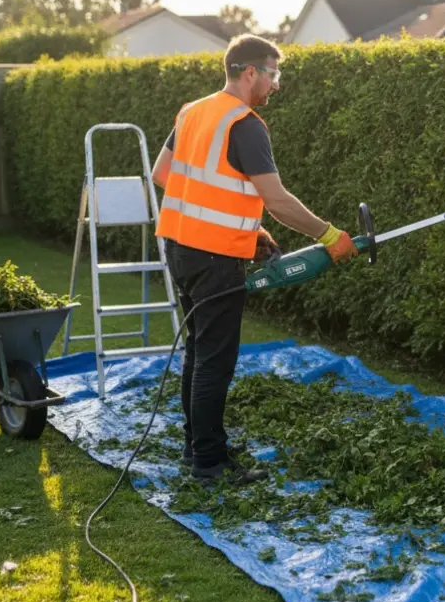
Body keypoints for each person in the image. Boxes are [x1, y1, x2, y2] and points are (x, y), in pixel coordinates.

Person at [151, 34, 357, 484]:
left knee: (197, 352)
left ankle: (197, 446)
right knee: (215, 361)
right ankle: (209, 464)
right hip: (215, 258)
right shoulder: (244, 124)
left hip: (178, 246)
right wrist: (329, 234)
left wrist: (246, 227)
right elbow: (278, 200)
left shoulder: (193, 111)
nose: (276, 85)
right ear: (250, 73)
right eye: (273, 73)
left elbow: (163, 175)